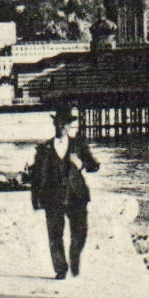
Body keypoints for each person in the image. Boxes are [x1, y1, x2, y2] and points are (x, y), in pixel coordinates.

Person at [30, 106, 100, 278]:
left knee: (80, 232)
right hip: (52, 197)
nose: (60, 126)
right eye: (58, 123)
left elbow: (94, 166)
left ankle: (74, 258)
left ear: (69, 126)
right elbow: (36, 175)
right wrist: (35, 199)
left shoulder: (79, 145)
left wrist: (80, 164)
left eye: (64, 123)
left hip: (77, 196)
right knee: (55, 235)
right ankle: (61, 269)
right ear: (54, 124)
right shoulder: (44, 148)